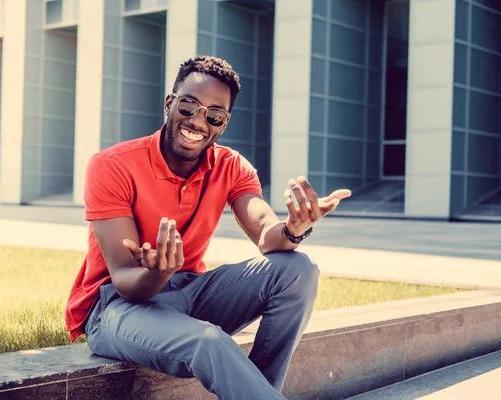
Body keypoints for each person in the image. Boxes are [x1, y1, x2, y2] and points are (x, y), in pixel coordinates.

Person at [65, 55, 351, 399]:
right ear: (169, 104)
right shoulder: (113, 166)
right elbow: (126, 281)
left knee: (299, 268)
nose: (198, 121)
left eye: (214, 115)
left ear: (223, 123)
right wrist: (156, 273)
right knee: (210, 340)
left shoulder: (231, 166)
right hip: (118, 308)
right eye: (189, 106)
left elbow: (265, 231)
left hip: (190, 292)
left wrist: (293, 229)